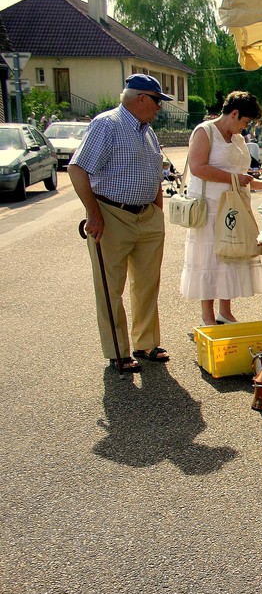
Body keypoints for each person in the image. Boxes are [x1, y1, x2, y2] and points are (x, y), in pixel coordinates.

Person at [69, 74, 174, 372]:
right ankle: (118, 350)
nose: (159, 108)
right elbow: (77, 169)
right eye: (157, 101)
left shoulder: (147, 131)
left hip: (147, 216)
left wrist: (157, 212)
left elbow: (155, 175)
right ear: (141, 98)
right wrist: (94, 214)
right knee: (110, 287)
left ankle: (146, 342)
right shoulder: (107, 124)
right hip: (111, 213)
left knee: (147, 283)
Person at [179, 91, 262, 326]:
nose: (245, 128)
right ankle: (207, 316)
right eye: (244, 122)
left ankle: (225, 310)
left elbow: (243, 176)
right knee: (209, 259)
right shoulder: (205, 131)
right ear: (234, 113)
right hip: (210, 207)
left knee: (231, 256)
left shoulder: (238, 138)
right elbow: (198, 167)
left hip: (234, 206)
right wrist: (232, 178)